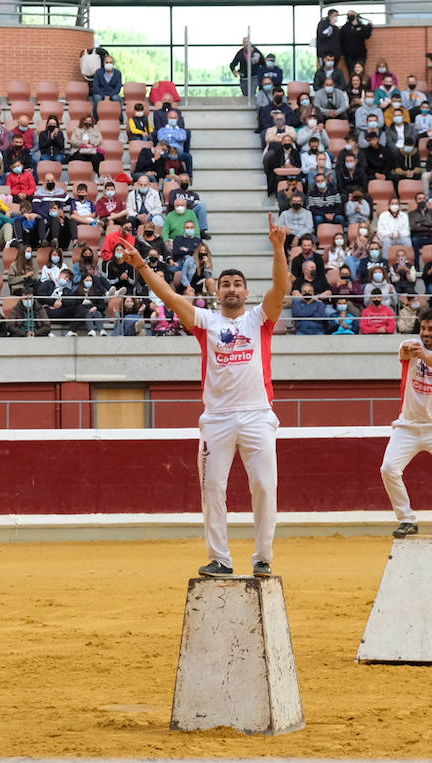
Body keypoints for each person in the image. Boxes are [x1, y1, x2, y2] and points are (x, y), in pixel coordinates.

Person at [124, 214, 289, 578]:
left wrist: (278, 247)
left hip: (257, 413)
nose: (231, 289)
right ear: (217, 290)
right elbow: (167, 295)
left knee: (264, 486)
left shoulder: (261, 319)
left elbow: (280, 288)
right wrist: (140, 266)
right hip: (216, 418)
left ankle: (263, 556)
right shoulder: (205, 321)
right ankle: (221, 559)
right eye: (226, 284)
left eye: (238, 285)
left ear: (246, 292)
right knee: (213, 488)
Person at [381, 308, 432, 539]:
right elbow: (405, 352)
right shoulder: (409, 344)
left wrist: (423, 356)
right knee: (388, 469)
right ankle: (406, 519)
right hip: (407, 425)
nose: (425, 333)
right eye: (423, 328)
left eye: (431, 329)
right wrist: (412, 350)